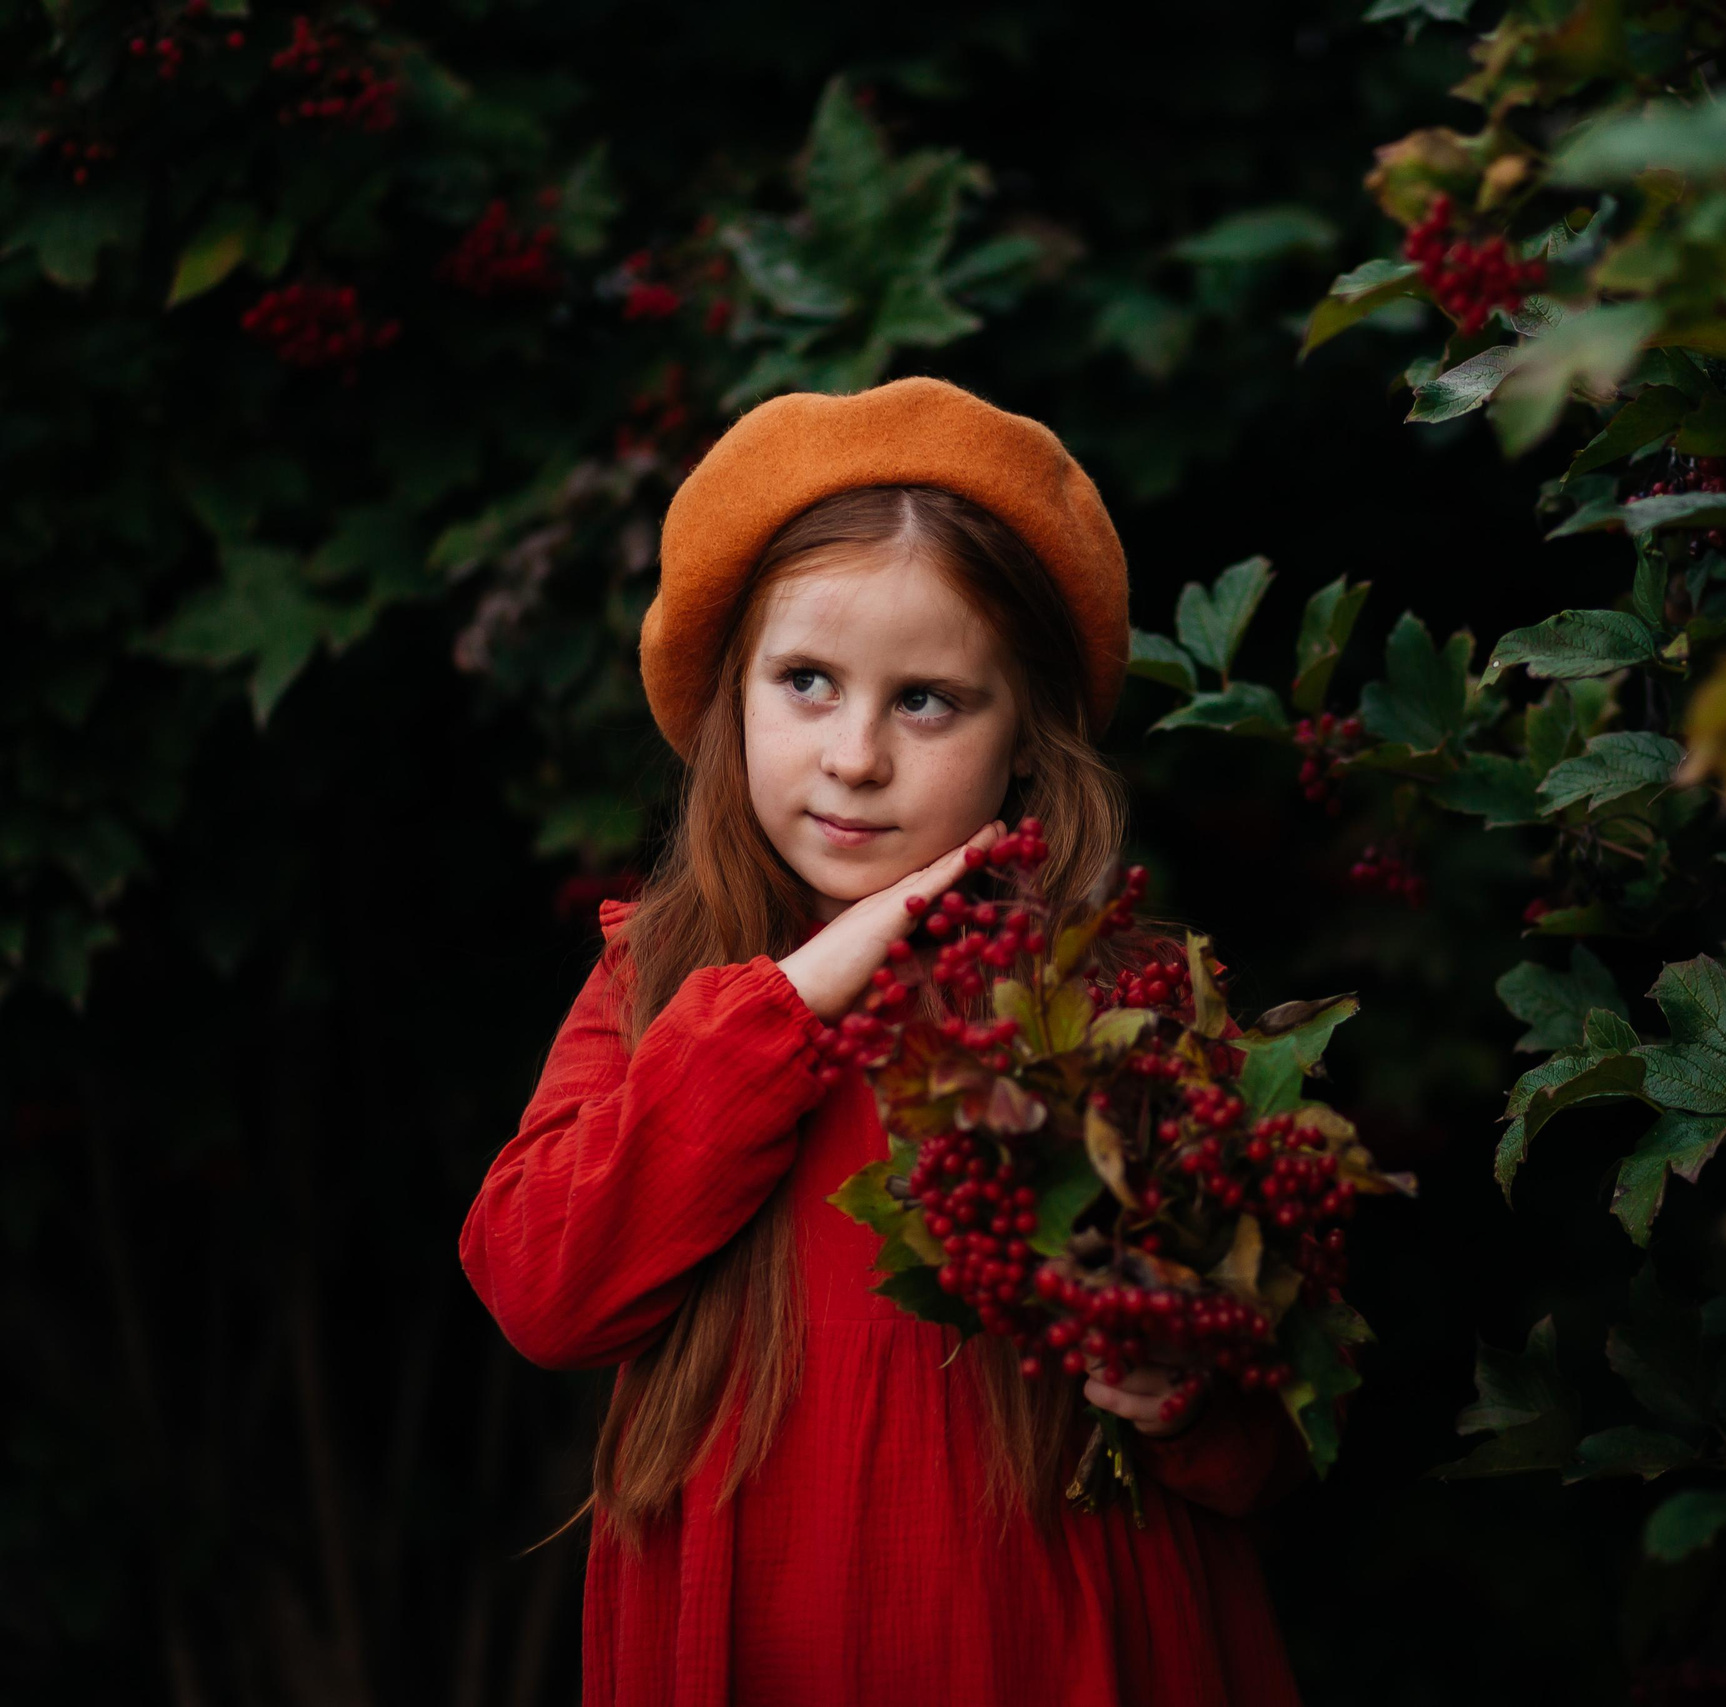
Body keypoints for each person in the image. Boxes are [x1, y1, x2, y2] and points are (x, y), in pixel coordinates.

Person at [460, 379, 1308, 1707]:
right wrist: (791, 1004)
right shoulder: (658, 977)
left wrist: (1185, 1392)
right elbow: (544, 1289)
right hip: (757, 1630)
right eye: (807, 683)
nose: (854, 755)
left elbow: (1272, 1438)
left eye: (926, 702)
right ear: (731, 696)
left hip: (1050, 1630)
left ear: (1024, 737)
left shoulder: (1118, 1000)